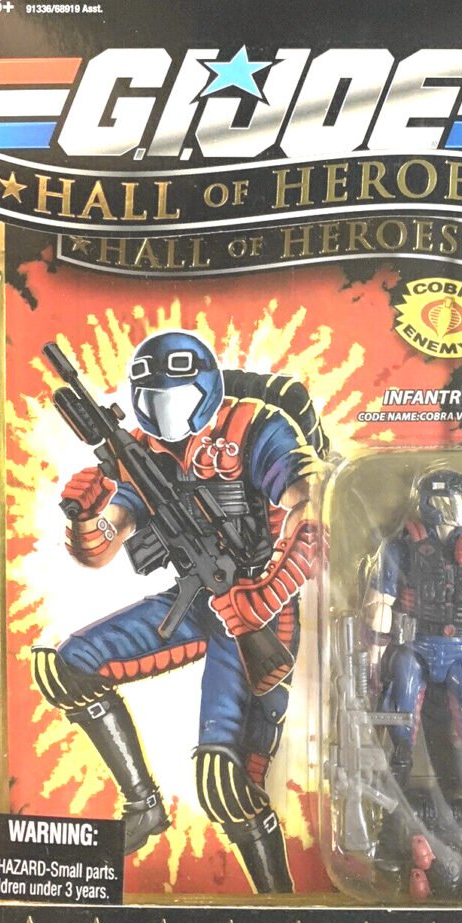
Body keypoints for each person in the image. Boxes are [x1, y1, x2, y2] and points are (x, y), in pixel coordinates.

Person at [32, 331, 326, 893]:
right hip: (198, 601)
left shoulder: (256, 427)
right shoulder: (144, 453)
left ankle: (280, 908)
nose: (166, 412)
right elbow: (100, 546)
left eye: (178, 397)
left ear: (206, 388)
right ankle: (143, 806)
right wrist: (82, 513)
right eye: (155, 399)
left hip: (261, 609)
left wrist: (263, 595)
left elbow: (310, 515)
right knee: (64, 666)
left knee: (225, 780)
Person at [361, 470, 462, 869]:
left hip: (460, 654)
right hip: (415, 649)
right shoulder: (401, 549)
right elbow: (379, 606)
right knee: (400, 732)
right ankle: (391, 826)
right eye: (447, 501)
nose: (454, 509)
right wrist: (374, 663)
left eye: (459, 500)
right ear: (430, 504)